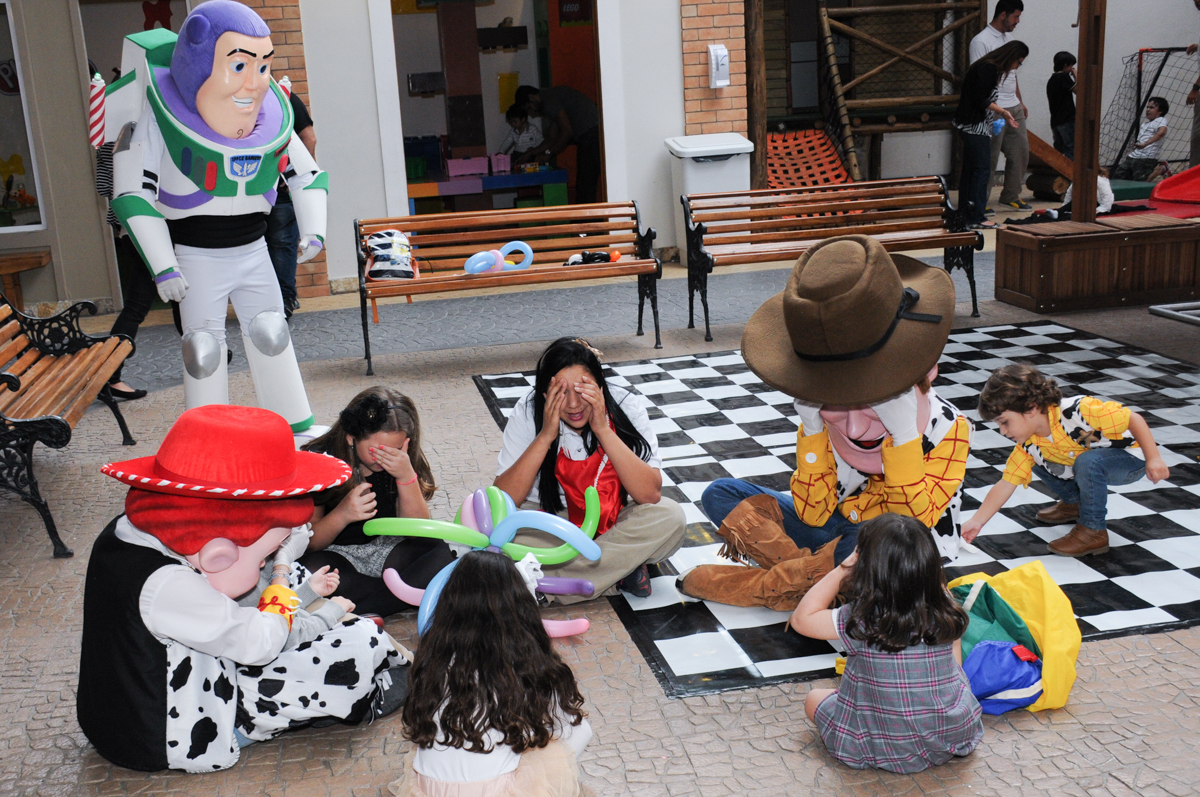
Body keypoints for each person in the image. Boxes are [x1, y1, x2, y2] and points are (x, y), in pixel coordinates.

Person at [77, 404, 404, 773]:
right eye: (263, 556)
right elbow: (261, 643)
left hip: (124, 714)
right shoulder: (170, 584)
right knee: (353, 646)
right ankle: (250, 727)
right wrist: (280, 574)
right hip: (165, 734)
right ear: (219, 554)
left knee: (337, 632)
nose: (265, 563)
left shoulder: (133, 531)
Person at [679, 236, 972, 611]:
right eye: (837, 406)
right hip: (832, 527)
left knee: (866, 548)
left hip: (898, 549)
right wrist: (815, 432)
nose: (851, 430)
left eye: (871, 404)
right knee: (720, 493)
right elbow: (812, 513)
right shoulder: (821, 411)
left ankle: (776, 584)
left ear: (922, 374)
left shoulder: (949, 428)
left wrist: (903, 437)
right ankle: (818, 577)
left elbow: (909, 525)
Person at [108, 1, 327, 431]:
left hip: (253, 248)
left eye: (262, 65)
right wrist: (162, 263)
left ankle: (296, 427)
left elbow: (307, 175)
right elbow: (132, 193)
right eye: (239, 65)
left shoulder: (274, 115)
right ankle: (207, 435)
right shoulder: (160, 116)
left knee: (271, 332)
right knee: (203, 351)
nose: (253, 83)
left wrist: (314, 229)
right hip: (195, 256)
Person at [494, 337, 686, 601]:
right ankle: (620, 567)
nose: (573, 405)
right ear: (544, 395)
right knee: (507, 536)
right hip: (551, 521)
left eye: (583, 390)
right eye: (562, 394)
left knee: (670, 518)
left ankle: (544, 582)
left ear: (600, 387)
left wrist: (603, 429)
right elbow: (503, 500)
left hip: (617, 517)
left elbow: (649, 495)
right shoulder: (528, 412)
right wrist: (546, 435)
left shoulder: (626, 404)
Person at [790, 513, 983, 774]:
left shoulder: (861, 619)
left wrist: (843, 568)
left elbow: (802, 619)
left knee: (814, 698)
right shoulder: (945, 606)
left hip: (880, 746)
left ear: (866, 566)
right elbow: (955, 652)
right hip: (953, 734)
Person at [391, 550, 591, 796]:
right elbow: (575, 732)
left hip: (430, 788)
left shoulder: (434, 656)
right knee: (573, 732)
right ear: (519, 605)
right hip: (495, 791)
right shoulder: (527, 665)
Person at [964, 364, 1170, 557]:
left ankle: (1093, 530)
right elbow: (1006, 483)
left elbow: (1133, 418)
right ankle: (1075, 504)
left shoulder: (1078, 411)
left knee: (1089, 462)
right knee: (1038, 459)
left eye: (1005, 422)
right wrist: (976, 521)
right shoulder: (1028, 443)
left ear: (1031, 408)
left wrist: (1154, 458)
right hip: (1087, 461)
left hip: (1129, 458)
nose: (1003, 431)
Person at [299, 387, 456, 617]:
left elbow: (419, 531)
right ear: (351, 437)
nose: (385, 458)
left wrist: (406, 477)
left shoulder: (402, 462)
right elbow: (309, 542)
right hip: (338, 554)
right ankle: (399, 596)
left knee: (440, 554)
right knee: (306, 573)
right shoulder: (321, 460)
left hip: (391, 549)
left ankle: (363, 608)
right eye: (375, 450)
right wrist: (342, 514)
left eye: (394, 450)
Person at [954, 41, 1028, 229]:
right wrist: (1003, 112)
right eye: (1018, 62)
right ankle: (978, 216)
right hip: (974, 127)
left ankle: (966, 213)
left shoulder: (985, 66)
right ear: (1011, 57)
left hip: (973, 125)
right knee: (981, 170)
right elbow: (981, 100)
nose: (1016, 67)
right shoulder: (988, 68)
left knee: (971, 171)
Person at [969, 0, 1030, 211]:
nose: (1018, 21)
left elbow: (1013, 73)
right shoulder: (981, 41)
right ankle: (981, 202)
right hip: (994, 108)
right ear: (1003, 14)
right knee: (990, 157)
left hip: (1012, 105)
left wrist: (1020, 101)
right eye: (1015, 17)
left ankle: (1011, 194)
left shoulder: (1009, 38)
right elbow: (979, 77)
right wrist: (993, 107)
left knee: (1021, 152)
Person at [267, 87, 318, 319]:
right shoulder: (285, 96)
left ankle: (268, 303)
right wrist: (299, 177)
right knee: (283, 246)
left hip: (252, 191)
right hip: (282, 189)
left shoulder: (236, 97)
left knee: (255, 248)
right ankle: (285, 301)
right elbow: (310, 138)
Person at [515, 85, 601, 203]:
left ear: (532, 97)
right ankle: (587, 219)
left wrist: (548, 152)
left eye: (529, 108)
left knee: (585, 187)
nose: (532, 113)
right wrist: (531, 152)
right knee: (585, 186)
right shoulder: (550, 97)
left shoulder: (549, 100)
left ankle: (587, 220)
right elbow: (552, 138)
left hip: (592, 135)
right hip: (592, 134)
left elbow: (567, 131)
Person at [1112, 97, 1169, 182]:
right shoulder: (1145, 124)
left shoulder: (1160, 120)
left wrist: (1145, 144)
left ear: (1160, 111)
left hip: (1147, 158)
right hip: (1133, 156)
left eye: (1152, 107)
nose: (1148, 110)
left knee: (1140, 183)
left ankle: (1161, 169)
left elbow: (1162, 132)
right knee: (1117, 177)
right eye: (1147, 107)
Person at [1047, 51, 1077, 159]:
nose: (1072, 69)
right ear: (1065, 65)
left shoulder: (1052, 79)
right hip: (1067, 120)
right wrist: (1076, 76)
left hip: (1056, 121)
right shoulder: (1063, 76)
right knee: (1071, 149)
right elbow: (1078, 90)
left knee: (1059, 150)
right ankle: (1070, 174)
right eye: (1071, 66)